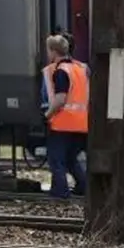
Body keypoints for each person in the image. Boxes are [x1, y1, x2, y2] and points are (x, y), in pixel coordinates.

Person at [43, 33, 89, 199]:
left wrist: (47, 115)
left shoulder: (61, 71)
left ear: (54, 51)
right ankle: (84, 186)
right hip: (81, 123)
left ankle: (60, 192)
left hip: (63, 123)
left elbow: (61, 99)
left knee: (57, 160)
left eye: (49, 50)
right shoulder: (79, 69)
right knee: (70, 159)